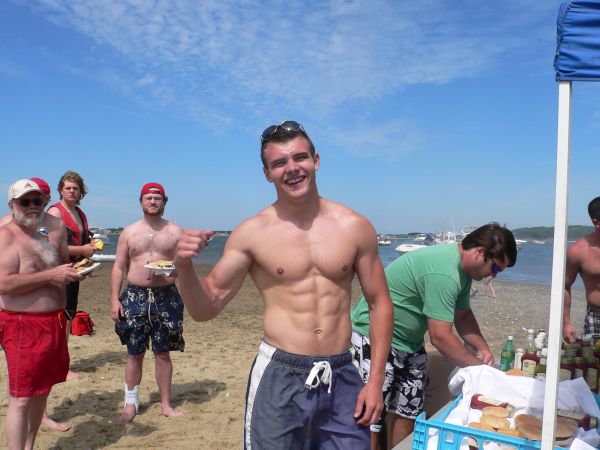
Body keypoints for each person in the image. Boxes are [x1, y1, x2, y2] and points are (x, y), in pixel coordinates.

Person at [175, 120, 393, 449]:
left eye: (300, 157)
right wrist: (183, 265)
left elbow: (379, 303)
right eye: (279, 163)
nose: (292, 169)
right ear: (267, 173)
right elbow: (206, 307)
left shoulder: (354, 226)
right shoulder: (252, 233)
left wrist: (375, 380)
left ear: (315, 160)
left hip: (342, 370)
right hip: (280, 375)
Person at [351, 223, 517, 448]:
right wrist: (479, 368)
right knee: (371, 418)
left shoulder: (464, 273)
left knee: (409, 413)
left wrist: (482, 348)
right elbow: (440, 338)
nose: (493, 276)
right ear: (479, 252)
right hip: (373, 337)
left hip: (409, 344)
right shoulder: (445, 273)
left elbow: (463, 316)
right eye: (495, 268)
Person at [0, 179, 81, 449]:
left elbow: (60, 265)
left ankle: (29, 446)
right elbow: (3, 283)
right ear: (12, 205)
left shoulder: (48, 231)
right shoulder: (6, 235)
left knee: (42, 391)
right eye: (25, 201)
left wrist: (73, 272)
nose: (32, 206)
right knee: (21, 398)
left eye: (37, 200)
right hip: (23, 324)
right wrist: (51, 276)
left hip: (53, 321)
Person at [111, 182, 185, 423]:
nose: (153, 201)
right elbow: (119, 266)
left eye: (157, 198)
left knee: (163, 353)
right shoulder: (129, 232)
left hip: (166, 295)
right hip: (135, 295)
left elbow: (183, 267)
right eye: (148, 198)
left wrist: (168, 270)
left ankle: (165, 404)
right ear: (141, 201)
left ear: (164, 202)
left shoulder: (175, 232)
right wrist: (114, 299)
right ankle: (130, 405)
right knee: (135, 353)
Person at [47, 170, 96, 379]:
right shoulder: (55, 212)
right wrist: (82, 250)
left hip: (73, 271)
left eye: (75, 188)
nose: (72, 191)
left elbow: (82, 243)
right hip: (57, 273)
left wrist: (87, 256)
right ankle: (60, 368)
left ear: (81, 191)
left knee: (67, 318)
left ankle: (60, 365)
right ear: (60, 190)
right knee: (59, 320)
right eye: (68, 188)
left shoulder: (80, 213)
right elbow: (51, 248)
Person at [563, 196, 600, 343]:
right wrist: (566, 323)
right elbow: (564, 286)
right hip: (596, 318)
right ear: (596, 223)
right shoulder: (578, 251)